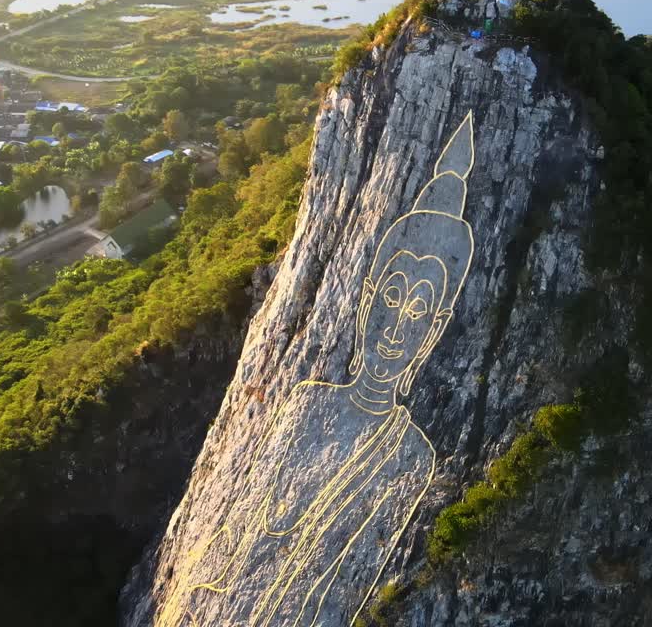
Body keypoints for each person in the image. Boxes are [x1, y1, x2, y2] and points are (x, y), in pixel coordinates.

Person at [157, 113, 478, 627]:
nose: (396, 327)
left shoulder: (413, 456)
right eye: (391, 297)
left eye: (419, 311)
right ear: (366, 297)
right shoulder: (307, 398)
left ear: (437, 327)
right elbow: (238, 521)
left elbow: (362, 573)